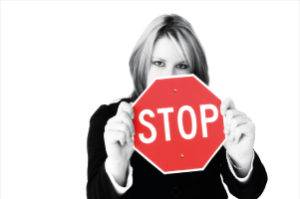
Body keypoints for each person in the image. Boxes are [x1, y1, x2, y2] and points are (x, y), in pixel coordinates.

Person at [86, 14, 267, 199]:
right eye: (158, 63)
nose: (169, 76)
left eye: (181, 65)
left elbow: (250, 191)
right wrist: (118, 164)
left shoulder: (209, 114)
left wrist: (242, 160)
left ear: (194, 72)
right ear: (142, 65)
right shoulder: (111, 120)